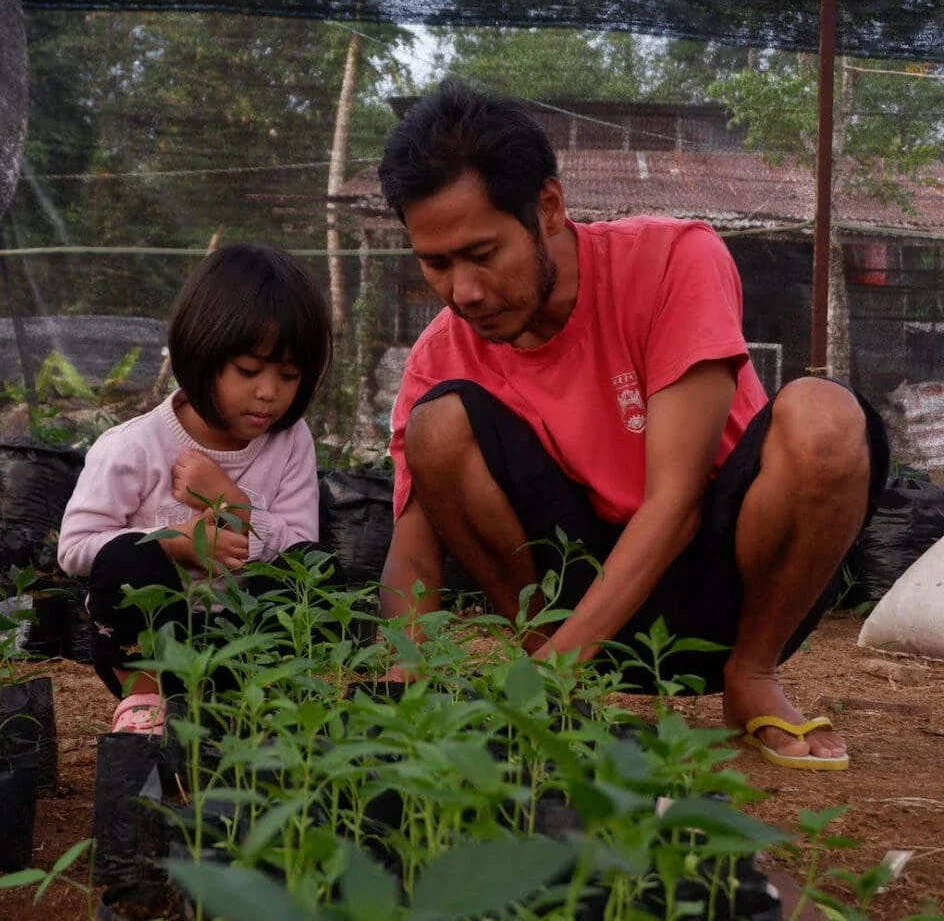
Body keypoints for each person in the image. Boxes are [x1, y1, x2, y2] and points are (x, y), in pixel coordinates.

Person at [378, 82, 888, 771]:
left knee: (825, 417)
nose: (462, 291)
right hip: (579, 584)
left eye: (483, 253)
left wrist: (542, 676)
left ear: (549, 209)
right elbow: (413, 555)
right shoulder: (441, 352)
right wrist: (402, 685)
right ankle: (567, 691)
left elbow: (674, 505)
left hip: (723, 571)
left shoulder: (676, 259)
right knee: (437, 426)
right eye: (436, 264)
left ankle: (752, 675)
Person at [58, 243, 332, 735]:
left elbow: (298, 547)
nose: (269, 391)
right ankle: (147, 704)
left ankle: (263, 696)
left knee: (313, 571)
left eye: (288, 375)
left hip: (242, 639)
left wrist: (232, 501)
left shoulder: (290, 441)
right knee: (126, 556)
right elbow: (76, 549)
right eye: (249, 371)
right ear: (203, 357)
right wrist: (175, 541)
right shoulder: (135, 447)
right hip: (147, 644)